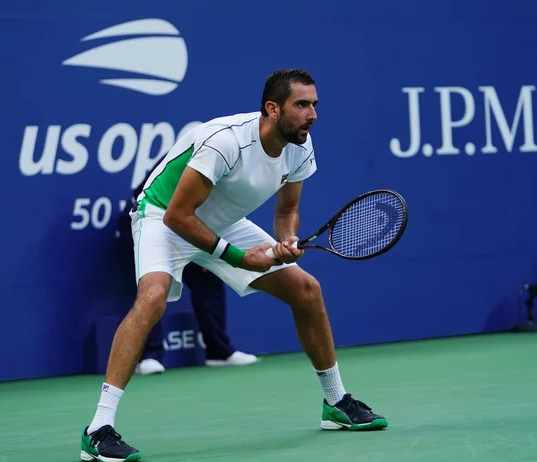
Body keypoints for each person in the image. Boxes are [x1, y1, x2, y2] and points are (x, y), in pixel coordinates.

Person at [80, 69, 388, 462]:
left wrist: (287, 240)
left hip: (220, 221)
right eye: (301, 105)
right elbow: (178, 215)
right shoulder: (225, 143)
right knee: (153, 297)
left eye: (314, 105)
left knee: (306, 289)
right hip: (162, 214)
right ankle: (99, 428)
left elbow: (288, 209)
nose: (312, 114)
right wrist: (241, 257)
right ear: (272, 109)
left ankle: (336, 402)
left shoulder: (301, 146)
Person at [116, 173, 258, 375]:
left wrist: (206, 250)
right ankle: (149, 356)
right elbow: (163, 211)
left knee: (208, 277)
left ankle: (219, 351)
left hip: (184, 225)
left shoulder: (227, 166)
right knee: (154, 288)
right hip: (144, 221)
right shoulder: (188, 162)